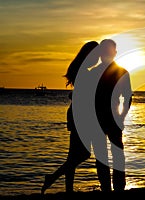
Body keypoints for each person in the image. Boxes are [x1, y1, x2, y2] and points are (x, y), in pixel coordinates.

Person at [41, 41, 99, 194]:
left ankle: (67, 189)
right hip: (80, 115)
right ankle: (53, 178)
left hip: (76, 113)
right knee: (83, 154)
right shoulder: (85, 71)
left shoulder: (81, 69)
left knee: (73, 155)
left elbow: (77, 93)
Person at [94, 39, 132, 192]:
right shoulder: (95, 72)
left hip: (111, 117)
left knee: (115, 153)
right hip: (99, 118)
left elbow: (128, 97)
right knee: (105, 155)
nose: (106, 55)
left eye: (108, 51)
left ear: (114, 53)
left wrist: (121, 117)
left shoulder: (121, 72)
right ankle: (107, 187)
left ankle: (117, 187)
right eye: (104, 51)